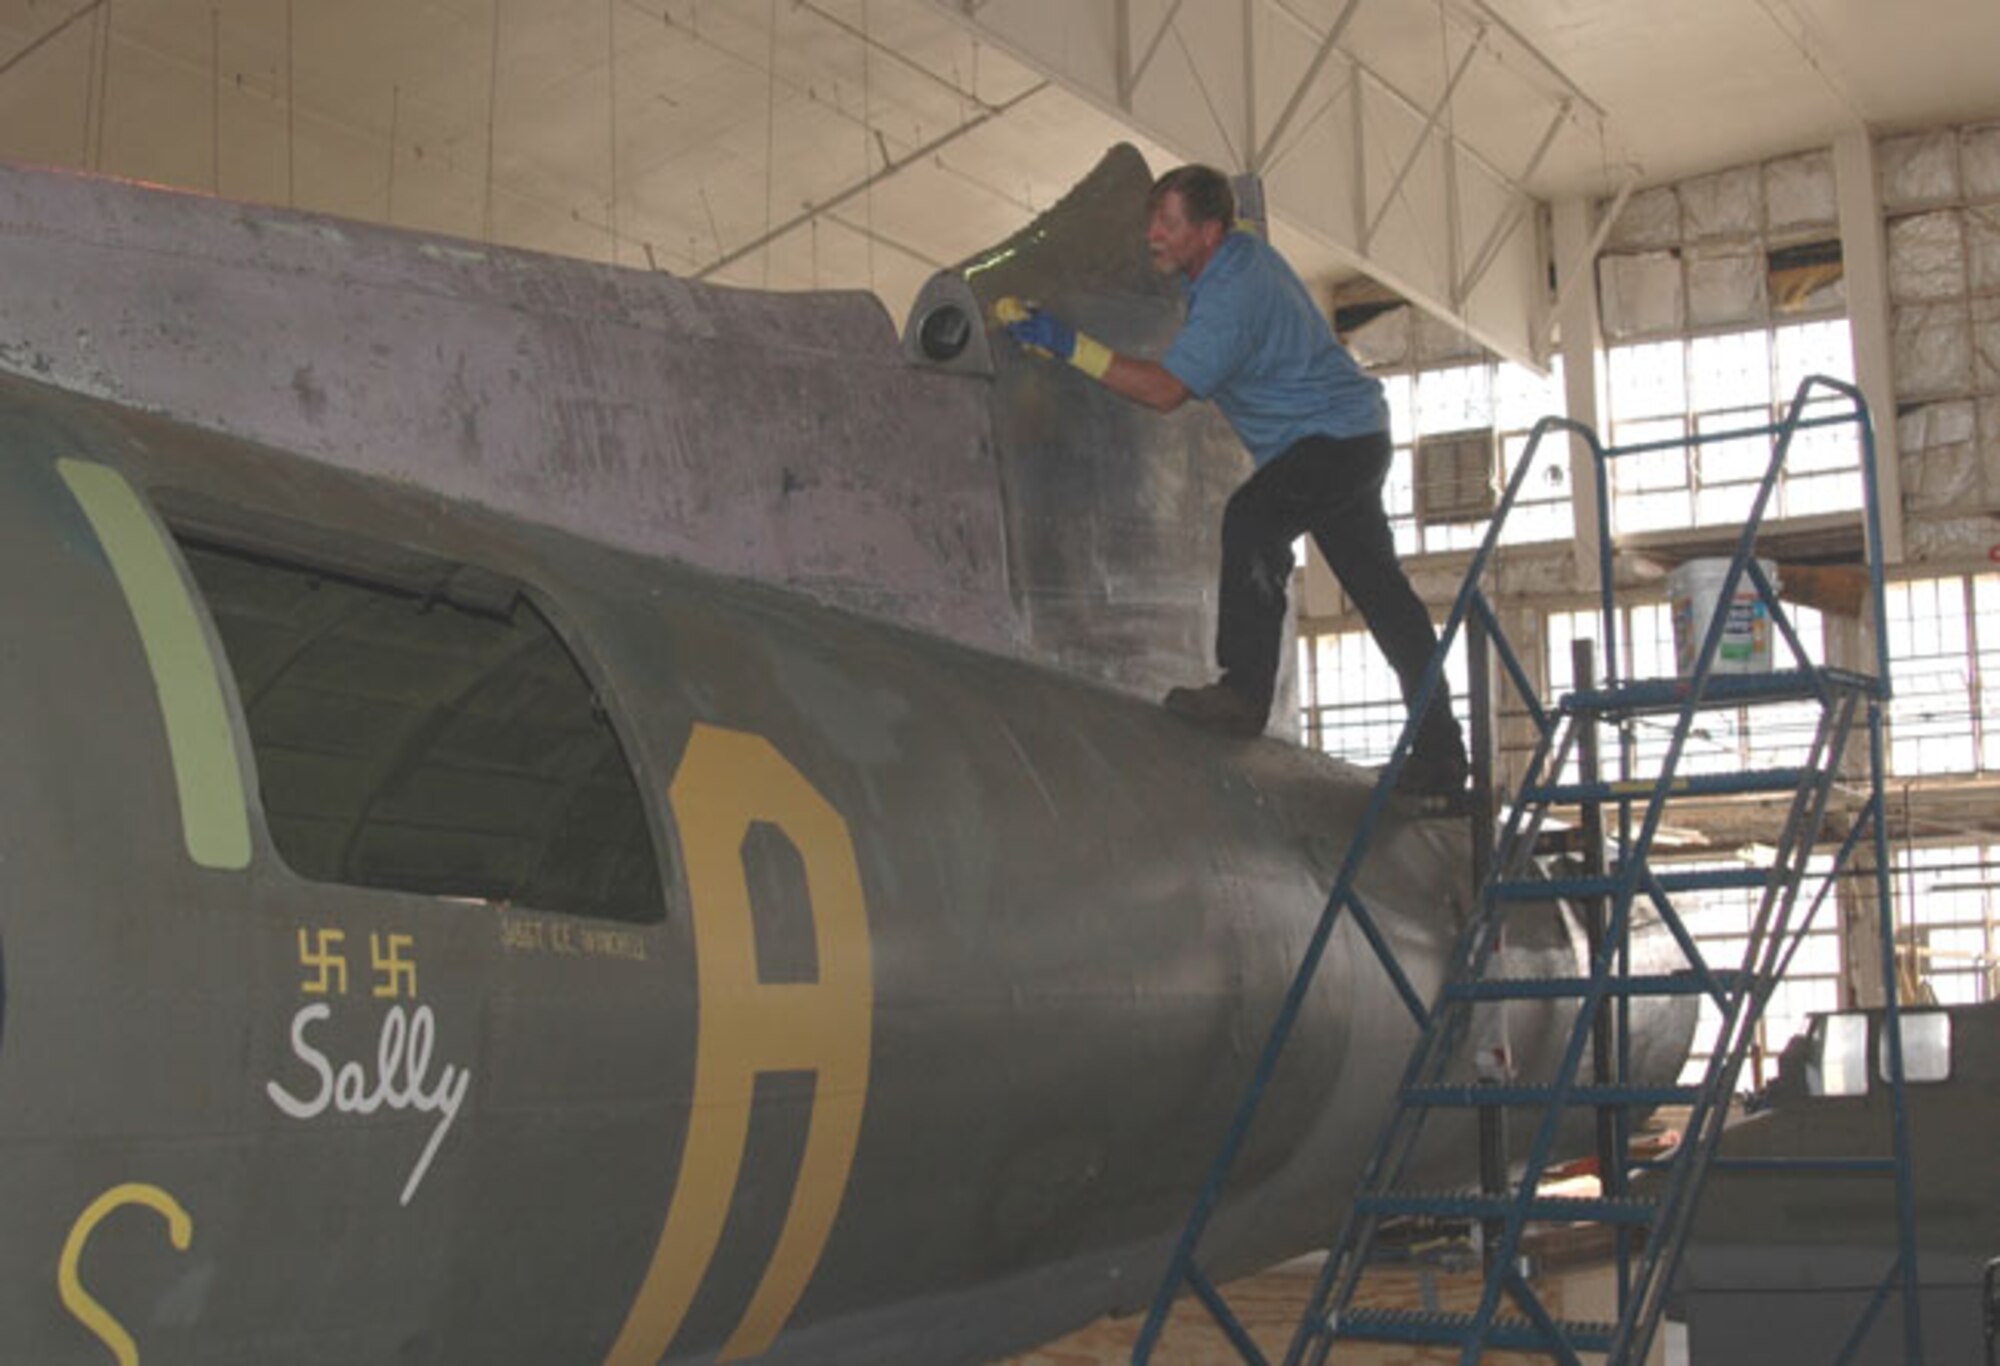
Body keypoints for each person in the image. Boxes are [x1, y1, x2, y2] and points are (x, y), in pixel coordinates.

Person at [1002, 162, 1468, 800]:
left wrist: (1067, 345)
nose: (1153, 236)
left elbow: (1166, 391)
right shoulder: (1236, 255)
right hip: (1349, 435)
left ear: (1210, 230)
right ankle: (1443, 754)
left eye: (1168, 224)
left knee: (1252, 521)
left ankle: (1246, 692)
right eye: (1151, 223)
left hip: (1331, 442)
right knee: (1385, 599)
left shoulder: (1233, 294)